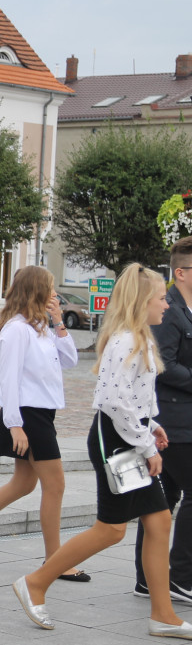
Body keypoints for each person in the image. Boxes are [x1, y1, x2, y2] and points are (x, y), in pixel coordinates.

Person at [12, 264, 192, 639]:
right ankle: (35, 582)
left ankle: (163, 615)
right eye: (161, 298)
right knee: (110, 530)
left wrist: (153, 426)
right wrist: (146, 444)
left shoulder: (140, 337)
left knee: (157, 523)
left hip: (125, 437)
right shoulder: (127, 340)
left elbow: (136, 399)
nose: (167, 305)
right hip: (116, 443)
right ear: (143, 302)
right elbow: (112, 402)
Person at [0, 266, 86, 579]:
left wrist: (59, 322)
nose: (55, 294)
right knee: (56, 484)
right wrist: (15, 424)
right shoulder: (16, 329)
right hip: (27, 414)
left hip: (42, 413)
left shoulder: (42, 327)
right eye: (50, 288)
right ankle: (55, 561)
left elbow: (70, 360)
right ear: (36, 290)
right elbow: (7, 380)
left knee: (23, 483)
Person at [133, 236, 192, 603]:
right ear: (182, 272)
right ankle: (181, 576)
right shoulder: (167, 309)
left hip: (179, 419)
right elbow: (161, 363)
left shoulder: (183, 307)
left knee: (165, 497)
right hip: (172, 419)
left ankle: (146, 578)